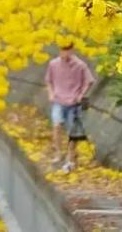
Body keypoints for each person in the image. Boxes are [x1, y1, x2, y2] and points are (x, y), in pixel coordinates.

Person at [45, 40, 95, 173]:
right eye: (62, 49)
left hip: (73, 102)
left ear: (72, 50)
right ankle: (58, 153)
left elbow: (89, 81)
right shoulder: (53, 64)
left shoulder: (80, 65)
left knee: (72, 132)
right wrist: (51, 93)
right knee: (56, 125)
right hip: (58, 100)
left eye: (67, 50)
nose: (64, 52)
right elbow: (48, 81)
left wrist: (81, 94)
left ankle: (70, 157)